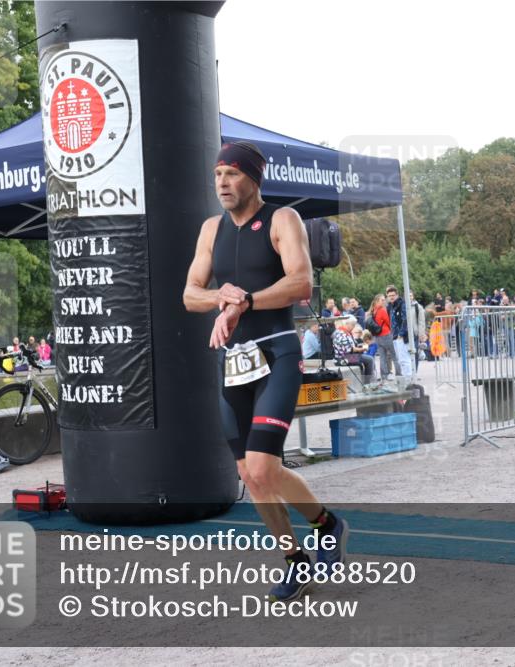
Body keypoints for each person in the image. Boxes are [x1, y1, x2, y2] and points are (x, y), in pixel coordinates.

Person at [182, 140, 348, 602]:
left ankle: (327, 524)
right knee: (252, 477)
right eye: (217, 175)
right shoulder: (211, 230)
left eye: (232, 174)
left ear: (254, 178)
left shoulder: (281, 219)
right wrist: (222, 298)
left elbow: (301, 282)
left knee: (263, 467)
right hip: (232, 364)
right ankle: (296, 560)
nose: (222, 183)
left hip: (277, 355)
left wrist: (248, 301)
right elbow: (189, 294)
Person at [332, 316, 375, 383]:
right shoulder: (342, 334)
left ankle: (367, 381)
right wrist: (362, 349)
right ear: (347, 324)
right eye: (353, 325)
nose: (353, 327)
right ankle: (367, 382)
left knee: (367, 359)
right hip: (343, 358)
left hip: (348, 356)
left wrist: (361, 346)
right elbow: (350, 349)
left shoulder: (345, 332)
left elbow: (352, 345)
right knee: (369, 359)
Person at [385, 285, 412, 377]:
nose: (391, 297)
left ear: (397, 295)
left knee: (404, 359)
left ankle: (409, 379)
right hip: (394, 336)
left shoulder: (402, 304)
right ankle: (406, 378)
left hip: (401, 336)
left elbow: (405, 319)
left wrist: (401, 334)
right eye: (389, 296)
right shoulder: (390, 306)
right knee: (400, 360)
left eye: (393, 295)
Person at [368, 294, 396, 380]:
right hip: (385, 334)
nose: (384, 302)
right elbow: (388, 322)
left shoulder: (372, 311)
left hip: (377, 336)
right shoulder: (382, 310)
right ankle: (400, 374)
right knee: (394, 355)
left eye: (384, 300)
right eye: (382, 300)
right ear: (377, 301)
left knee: (382, 357)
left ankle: (384, 376)